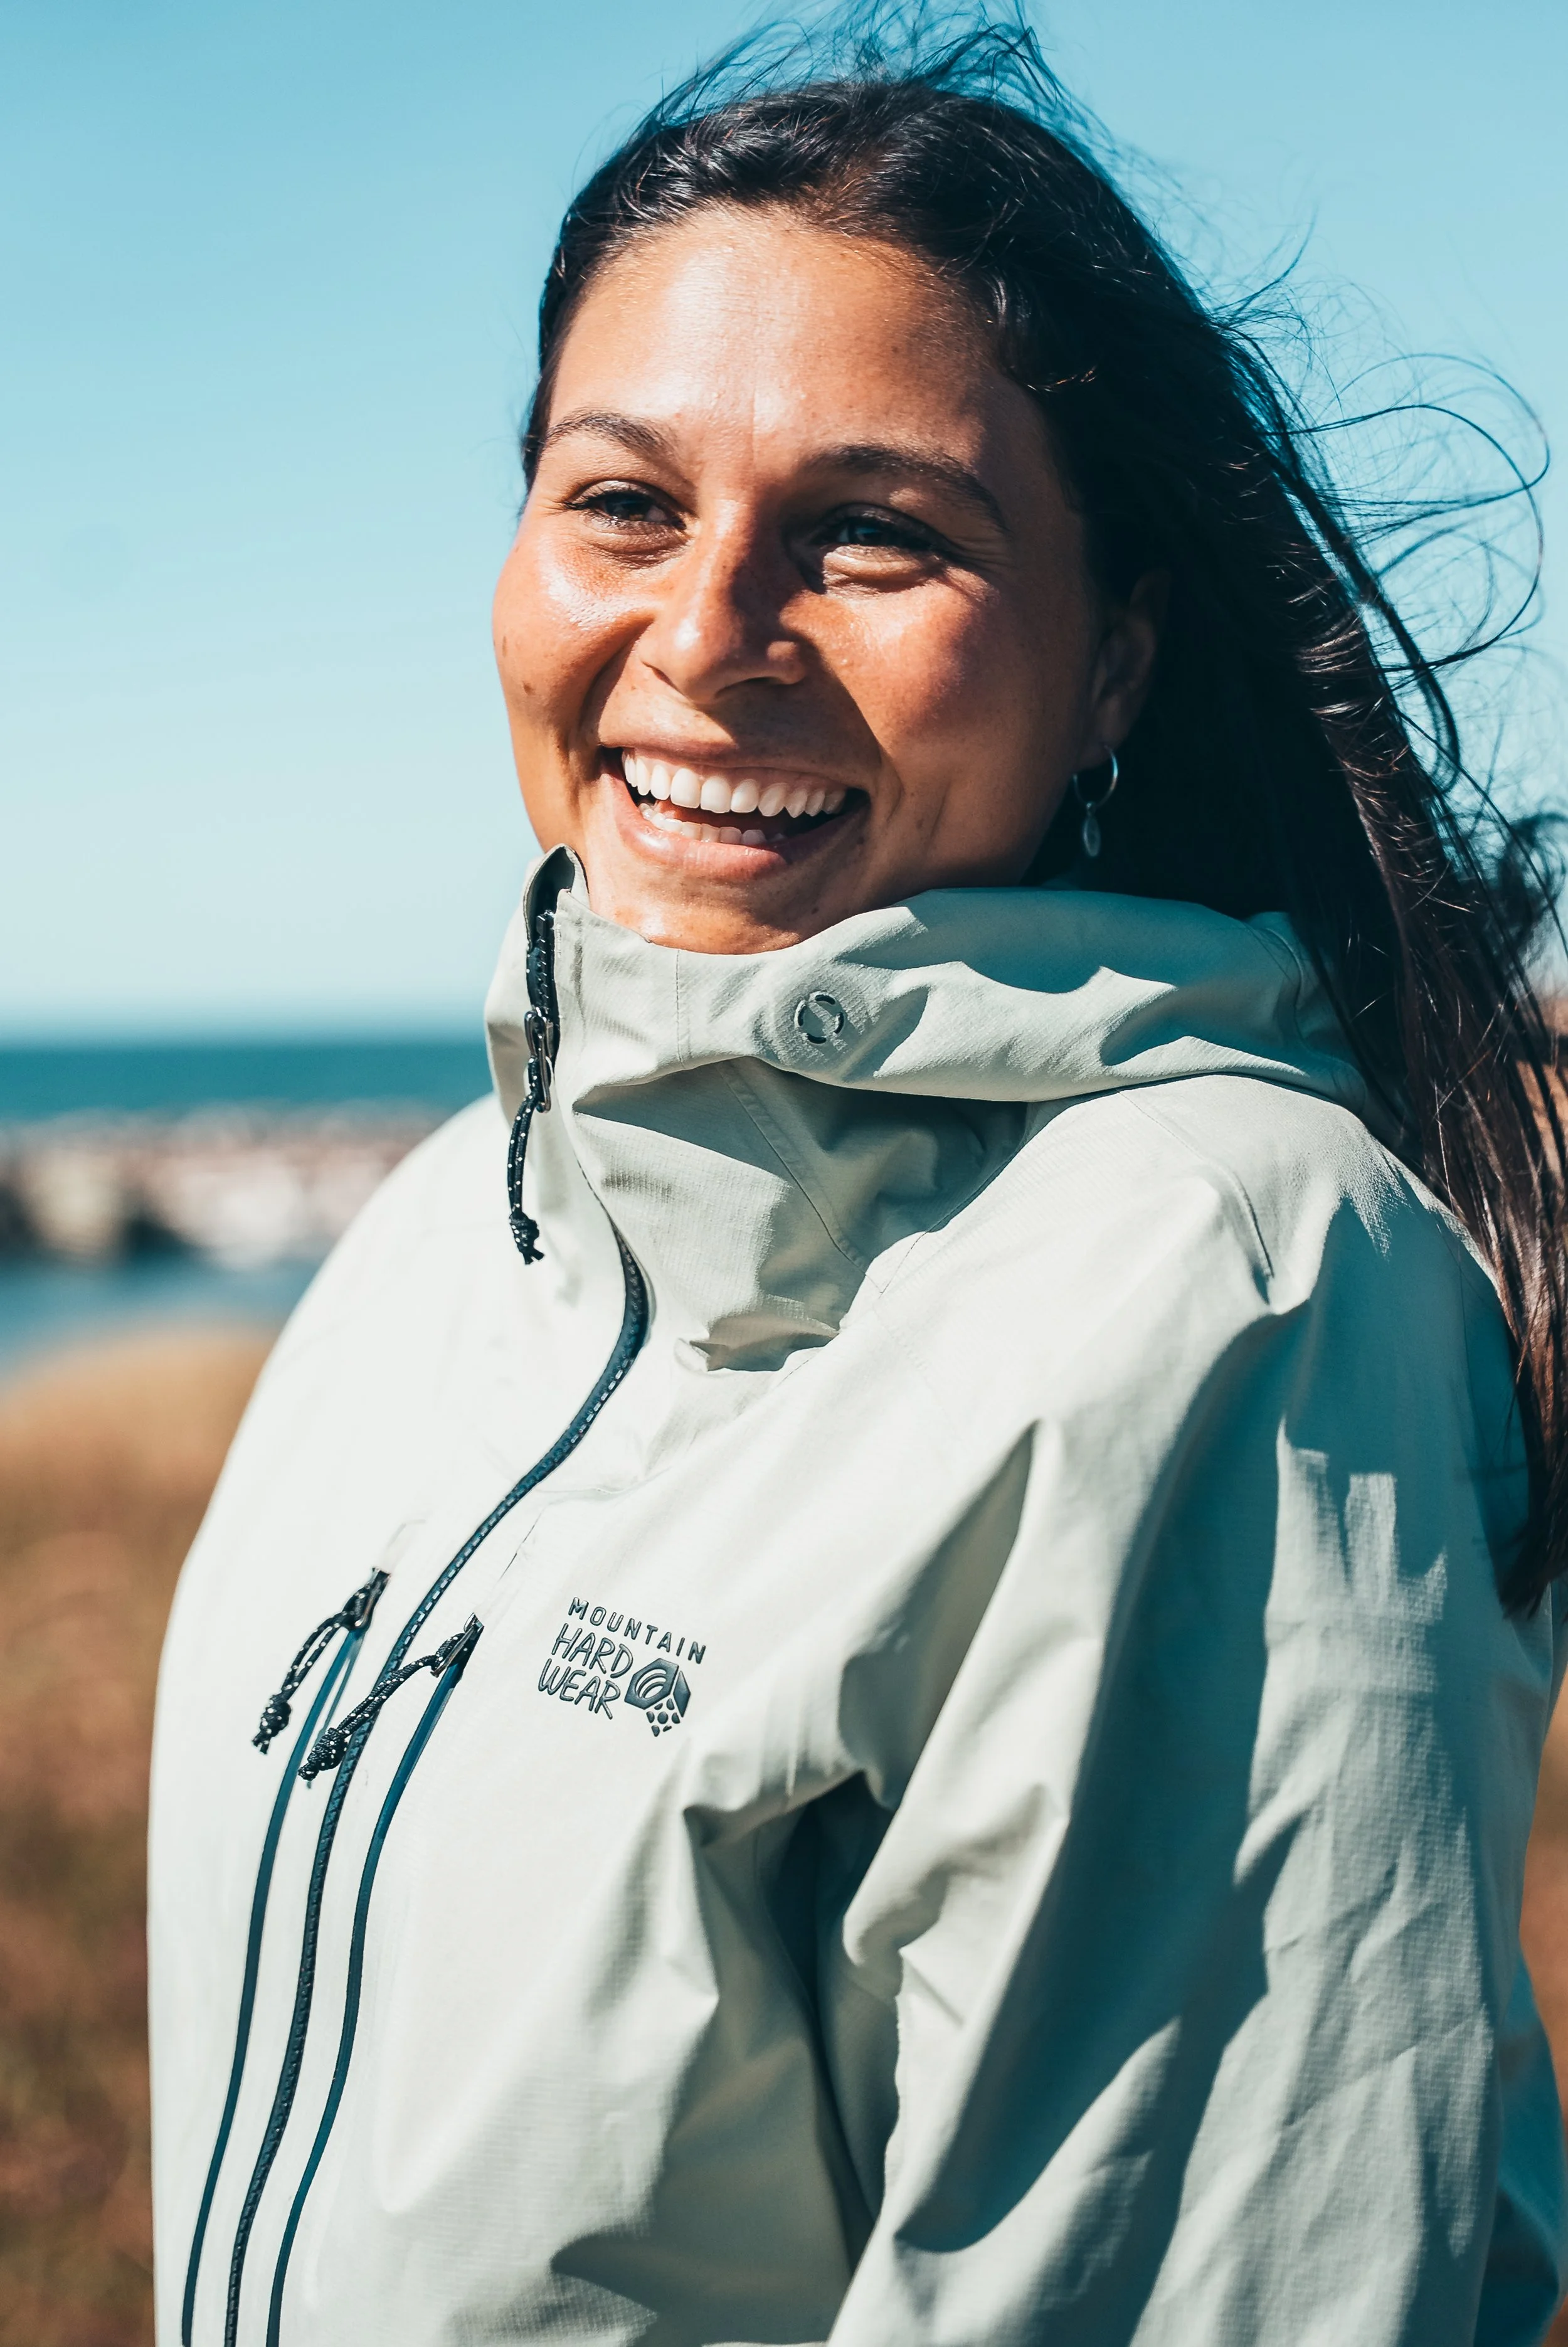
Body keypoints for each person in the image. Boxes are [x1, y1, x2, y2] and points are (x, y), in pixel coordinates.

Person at [149, 16, 1568, 2343]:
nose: (704, 639)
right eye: (622, 502)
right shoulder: (443, 1228)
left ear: (1113, 659)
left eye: (873, 534)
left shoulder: (1232, 1289)